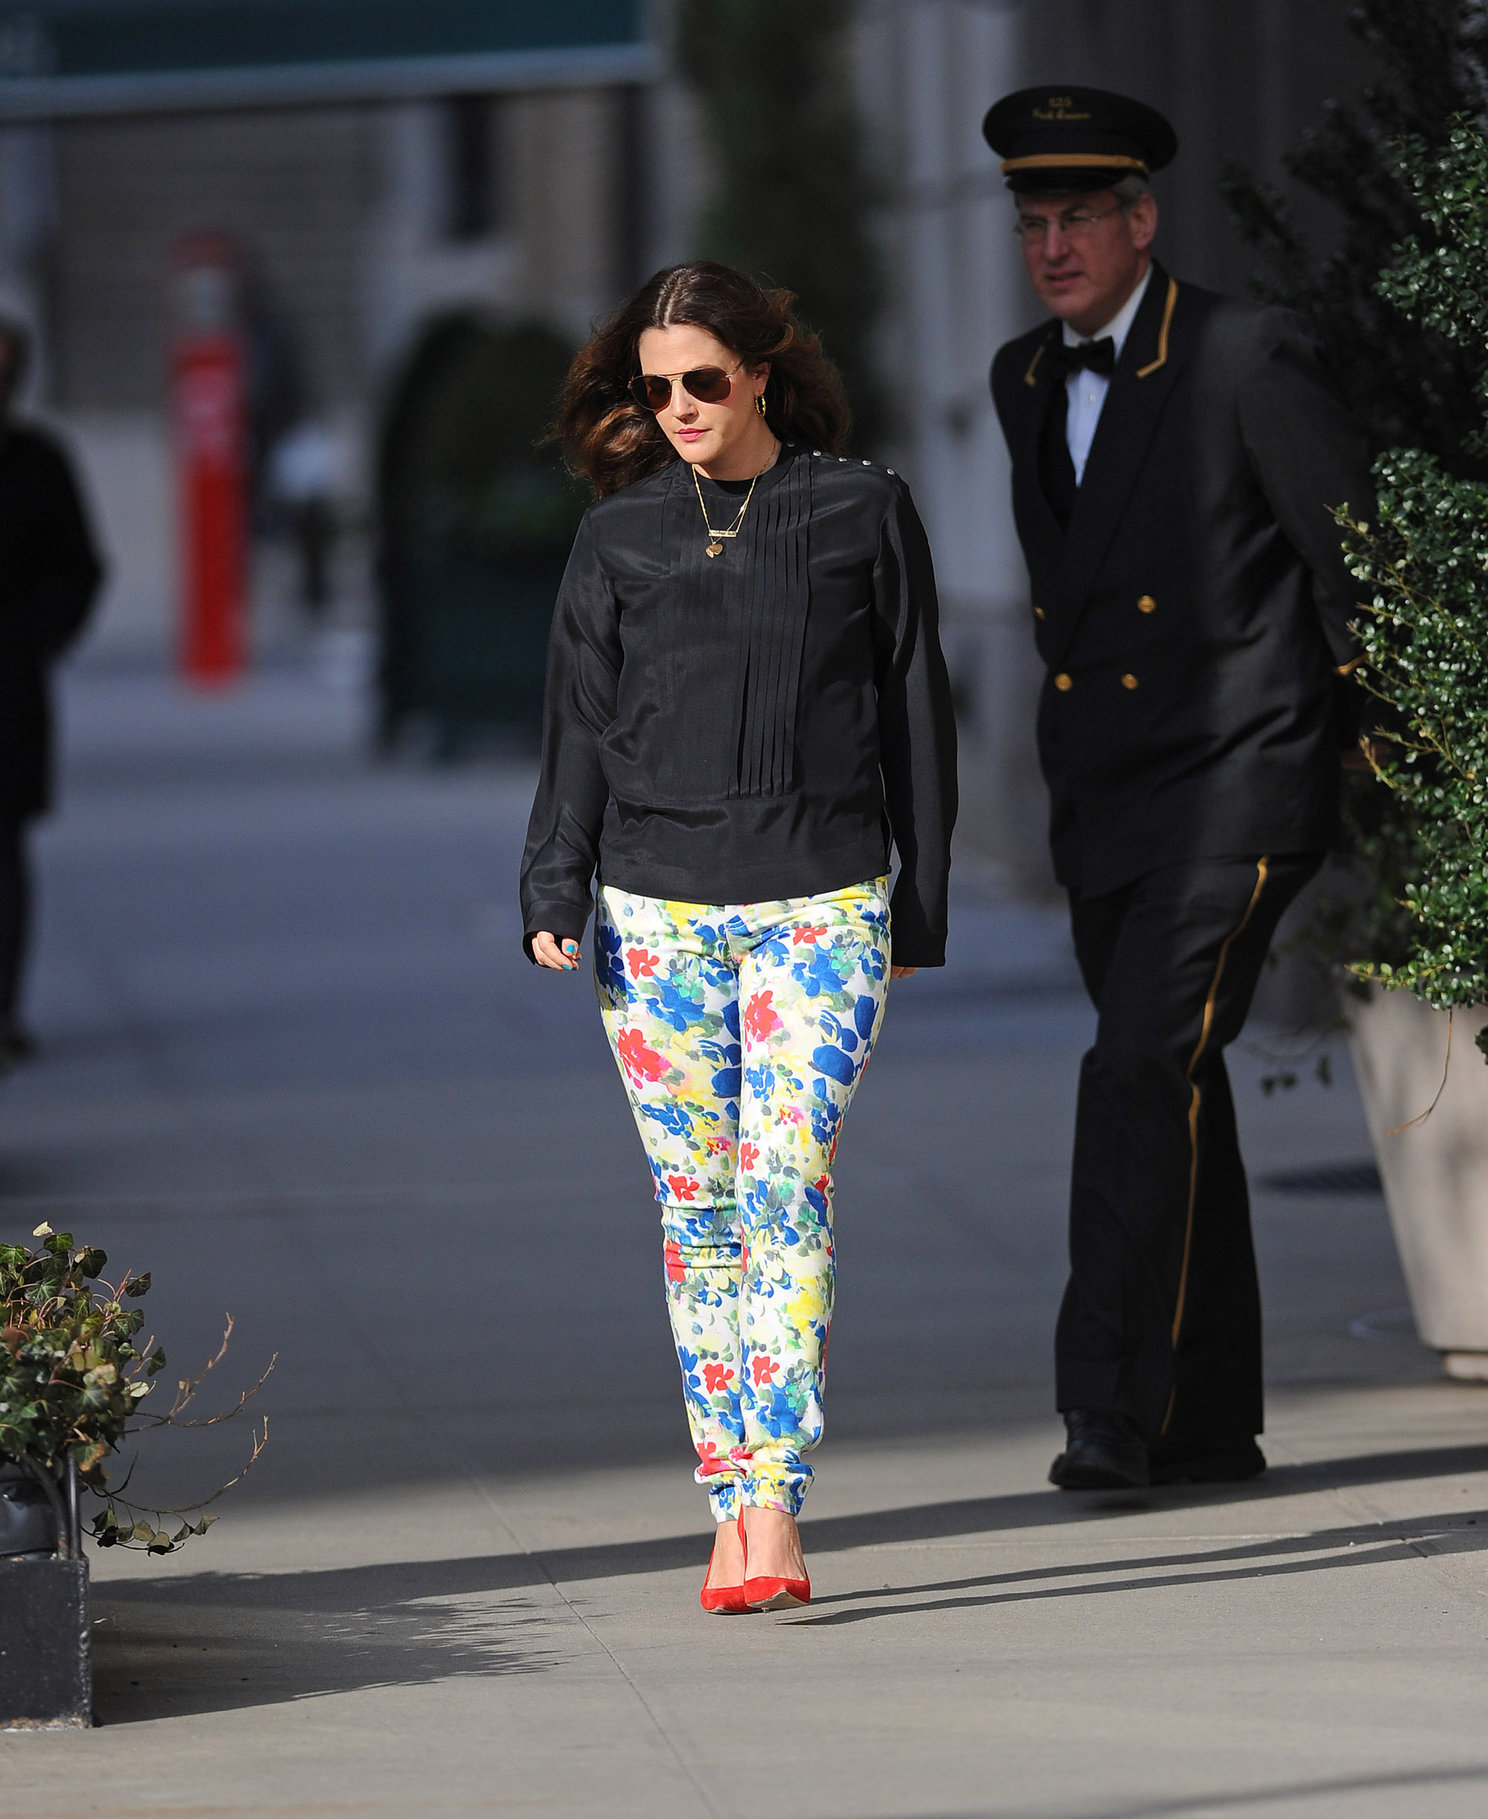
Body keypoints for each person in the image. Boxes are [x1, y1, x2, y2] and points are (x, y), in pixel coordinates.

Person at [521, 261, 956, 1612]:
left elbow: (917, 717)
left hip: (820, 899)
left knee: (786, 1187)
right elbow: (579, 725)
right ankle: (727, 1494)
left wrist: (918, 902)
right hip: (653, 912)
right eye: (656, 390)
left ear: (766, 371)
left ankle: (774, 1497)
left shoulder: (862, 508)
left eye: (704, 380)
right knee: (698, 1211)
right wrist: (554, 883)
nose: (679, 408)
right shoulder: (619, 538)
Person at [983, 89, 1373, 1490]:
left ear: (1143, 219)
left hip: (1239, 784)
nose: (1054, 244)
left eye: (1081, 216)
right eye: (1034, 221)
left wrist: (1365, 742)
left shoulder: (1243, 354)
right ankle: (1211, 1416)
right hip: (1111, 799)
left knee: (1136, 1066)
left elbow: (1354, 558)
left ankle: (1109, 1405)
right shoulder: (1022, 378)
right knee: (1177, 1083)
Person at [0, 317, 103, 1067]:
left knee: (3, 852)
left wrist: (36, 634)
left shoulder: (37, 462)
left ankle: (3, 1006)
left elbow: (79, 568)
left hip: (7, 685)